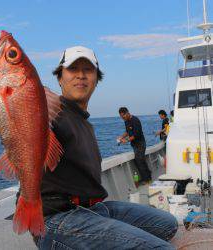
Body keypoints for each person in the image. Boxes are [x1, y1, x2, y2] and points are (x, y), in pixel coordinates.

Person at [36, 46, 178, 249]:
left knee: (167, 224)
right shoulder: (51, 113)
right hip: (57, 218)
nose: (81, 75)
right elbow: (34, 123)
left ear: (96, 79)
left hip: (94, 209)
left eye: (88, 70)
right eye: (72, 69)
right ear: (59, 78)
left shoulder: (85, 122)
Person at [118, 107, 152, 184]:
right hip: (134, 144)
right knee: (139, 160)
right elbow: (127, 131)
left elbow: (136, 135)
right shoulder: (126, 121)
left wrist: (126, 140)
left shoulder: (135, 120)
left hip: (140, 143)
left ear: (127, 113)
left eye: (123, 116)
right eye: (121, 117)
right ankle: (147, 177)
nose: (122, 118)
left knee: (139, 160)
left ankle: (146, 179)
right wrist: (121, 137)